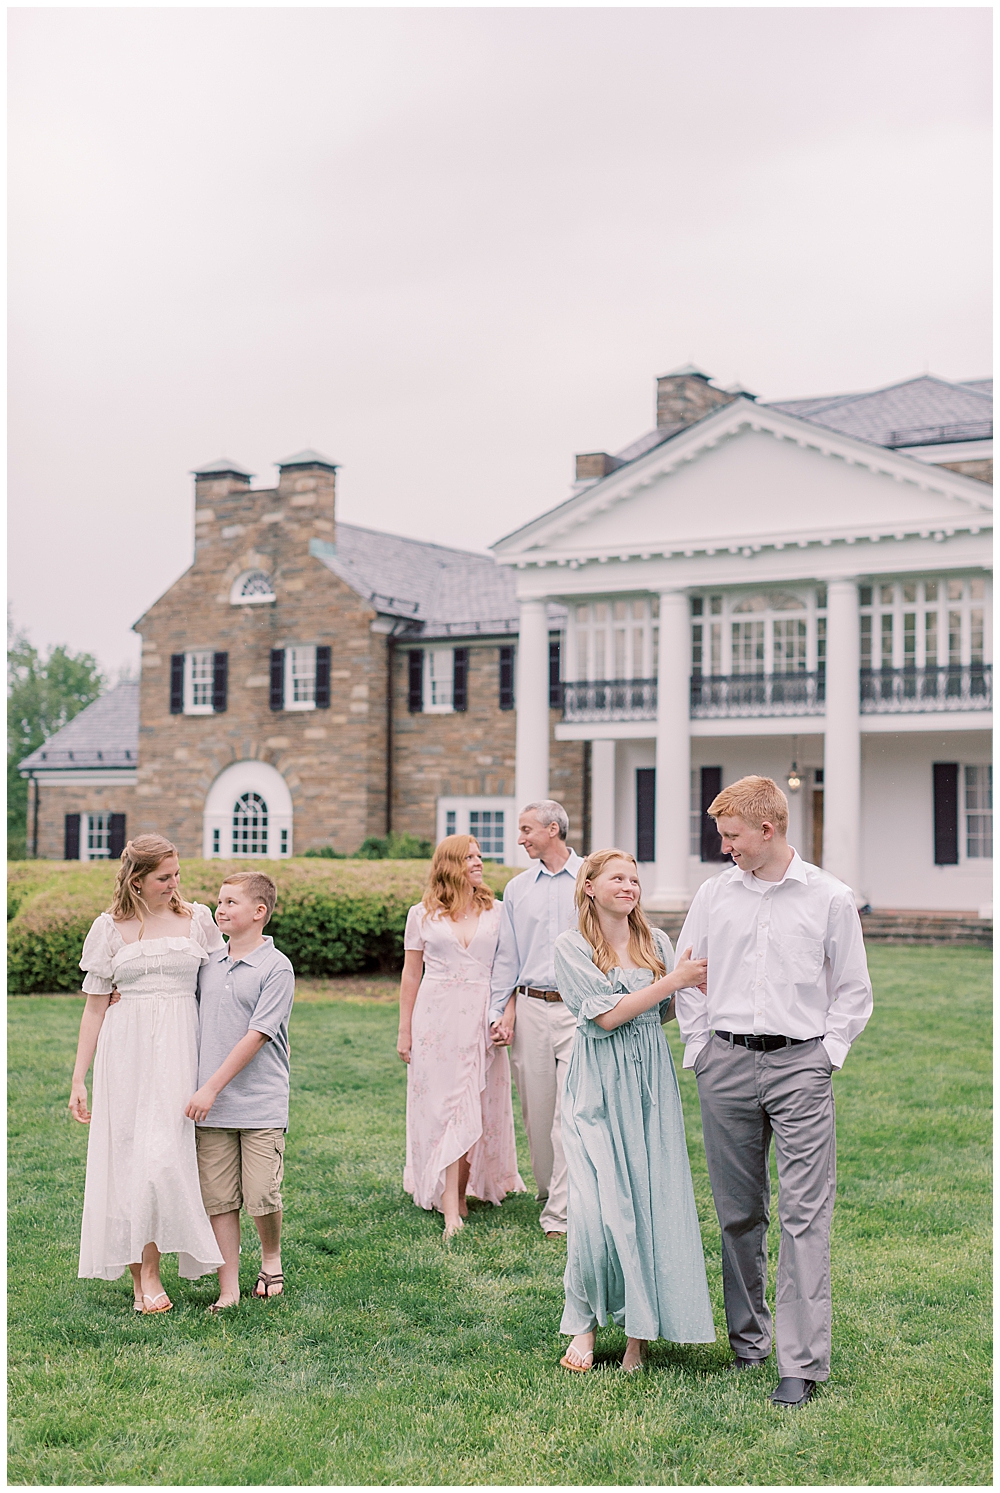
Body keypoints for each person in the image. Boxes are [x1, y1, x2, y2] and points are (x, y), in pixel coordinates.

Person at [675, 775, 873, 1409]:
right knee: (737, 1213)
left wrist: (825, 1057)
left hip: (799, 1067)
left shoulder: (831, 898)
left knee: (804, 1216)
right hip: (725, 1065)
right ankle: (748, 1342)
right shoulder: (713, 895)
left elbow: (852, 992)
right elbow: (688, 974)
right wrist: (701, 1049)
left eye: (732, 836)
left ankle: (801, 1364)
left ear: (769, 830)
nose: (725, 847)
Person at [553, 849, 716, 1373]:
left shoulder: (657, 943)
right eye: (617, 878)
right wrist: (674, 981)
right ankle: (582, 1321)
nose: (629, 886)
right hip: (596, 1085)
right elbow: (605, 1018)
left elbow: (663, 1014)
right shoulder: (571, 946)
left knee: (646, 1205)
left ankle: (637, 1339)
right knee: (594, 1212)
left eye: (635, 879)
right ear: (590, 887)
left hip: (649, 1084)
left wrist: (678, 985)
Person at [69, 835, 225, 1313]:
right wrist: (79, 1078)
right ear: (136, 881)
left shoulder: (197, 920)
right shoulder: (109, 929)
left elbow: (221, 984)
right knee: (131, 1158)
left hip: (183, 1047)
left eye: (177, 873)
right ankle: (146, 1276)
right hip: (128, 1052)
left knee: (165, 1158)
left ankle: (152, 1272)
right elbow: (94, 1010)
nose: (175, 884)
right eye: (164, 877)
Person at [397, 835, 525, 1241]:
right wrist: (405, 1030)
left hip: (481, 1017)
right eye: (470, 856)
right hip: (435, 1020)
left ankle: (462, 1190)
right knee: (444, 1107)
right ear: (450, 863)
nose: (479, 862)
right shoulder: (421, 915)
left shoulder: (499, 911)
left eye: (480, 856)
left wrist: (508, 1016)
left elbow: (510, 974)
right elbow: (410, 974)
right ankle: (449, 1203)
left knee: (478, 1104)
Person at [185, 871, 295, 1311]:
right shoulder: (207, 962)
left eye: (230, 902)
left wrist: (210, 1087)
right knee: (219, 1199)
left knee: (262, 1194)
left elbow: (257, 1035)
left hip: (260, 1103)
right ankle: (227, 1288)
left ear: (259, 912)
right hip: (211, 1109)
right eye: (220, 901)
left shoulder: (276, 967)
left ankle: (271, 1257)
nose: (220, 909)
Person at [488, 800, 581, 1238]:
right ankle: (551, 1191)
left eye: (526, 829)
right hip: (529, 1008)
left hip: (579, 1010)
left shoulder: (589, 878)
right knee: (538, 1113)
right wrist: (499, 1012)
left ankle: (559, 1215)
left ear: (552, 829)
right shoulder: (517, 888)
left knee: (568, 1113)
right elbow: (508, 957)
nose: (520, 838)